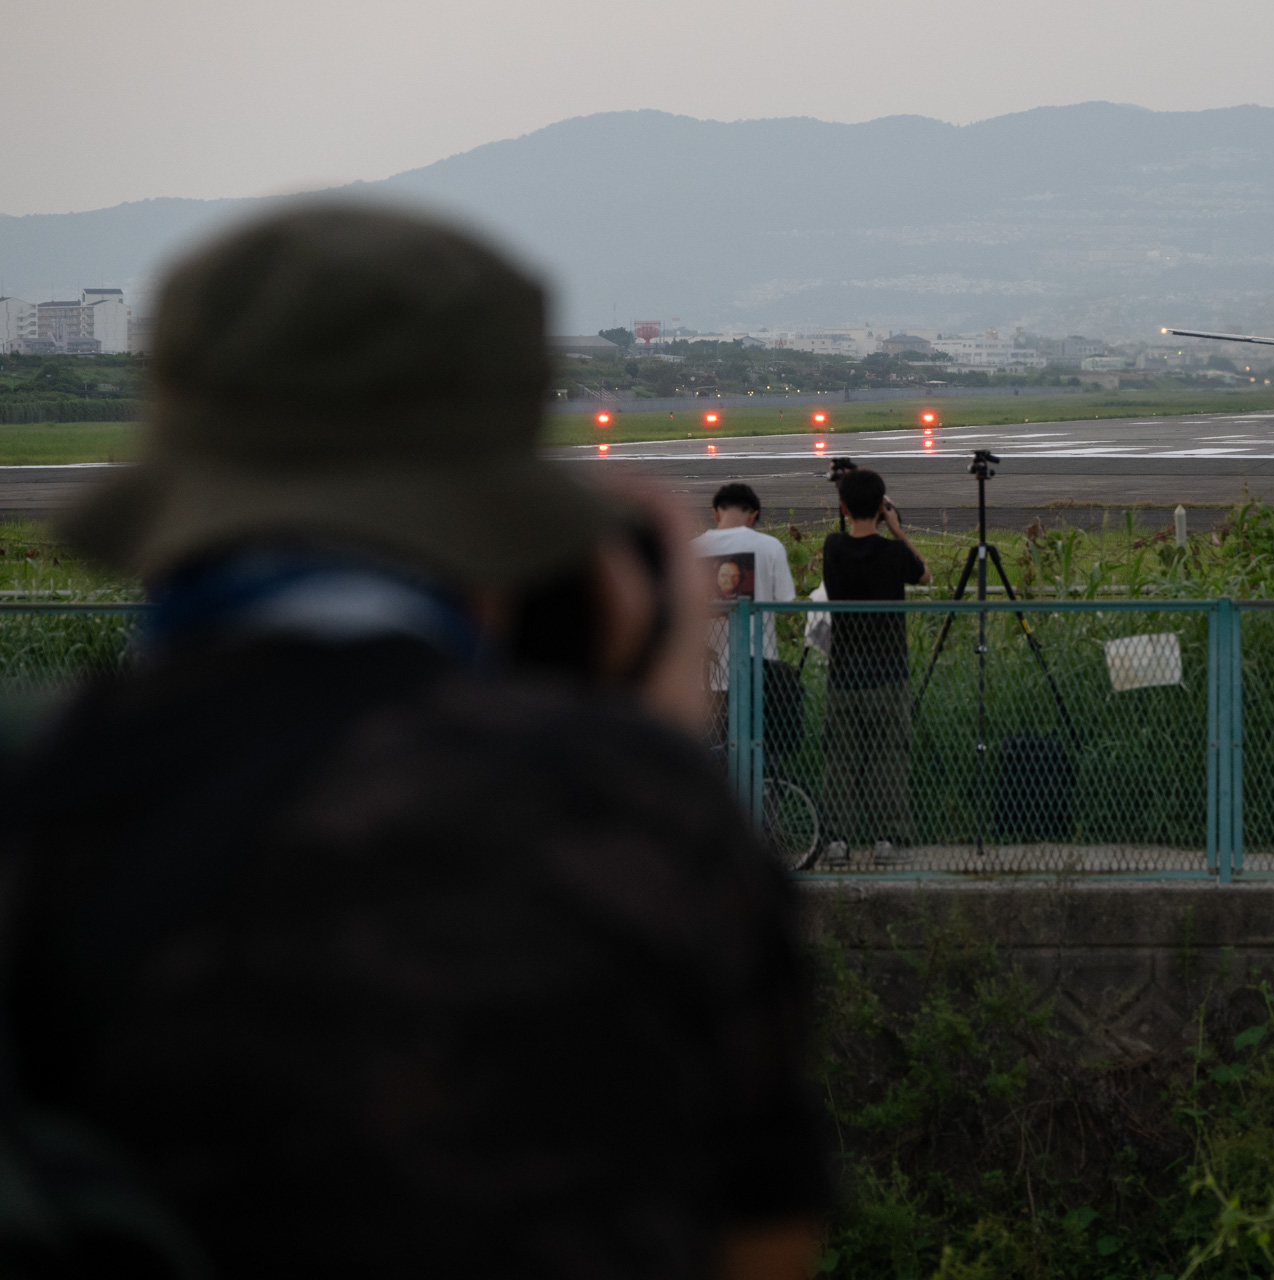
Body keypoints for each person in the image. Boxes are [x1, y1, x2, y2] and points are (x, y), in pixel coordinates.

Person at [0, 204, 830, 1280]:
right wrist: (652, 751)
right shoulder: (628, 814)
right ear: (500, 521)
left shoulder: (43, 783)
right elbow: (758, 1233)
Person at [820, 467, 929, 867]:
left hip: (843, 670)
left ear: (844, 508)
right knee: (889, 756)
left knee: (840, 759)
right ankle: (889, 839)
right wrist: (896, 529)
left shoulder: (833, 546)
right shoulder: (894, 553)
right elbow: (924, 574)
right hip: (888, 670)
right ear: (882, 507)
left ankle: (837, 840)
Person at [690, 483, 796, 742]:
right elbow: (788, 606)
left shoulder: (693, 549)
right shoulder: (770, 547)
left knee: (711, 751)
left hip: (706, 675)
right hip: (759, 669)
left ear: (716, 512)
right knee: (759, 748)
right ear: (753, 515)